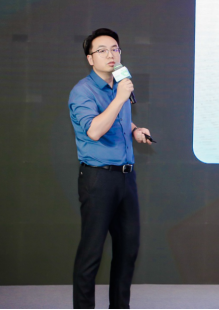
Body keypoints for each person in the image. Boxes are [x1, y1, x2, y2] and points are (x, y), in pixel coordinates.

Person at [69, 28, 151, 309]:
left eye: (114, 48)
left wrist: (135, 129)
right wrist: (119, 98)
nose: (110, 54)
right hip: (98, 179)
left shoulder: (120, 84)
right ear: (90, 59)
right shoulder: (82, 91)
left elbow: (118, 120)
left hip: (126, 179)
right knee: (91, 253)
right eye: (102, 50)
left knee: (128, 250)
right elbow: (94, 130)